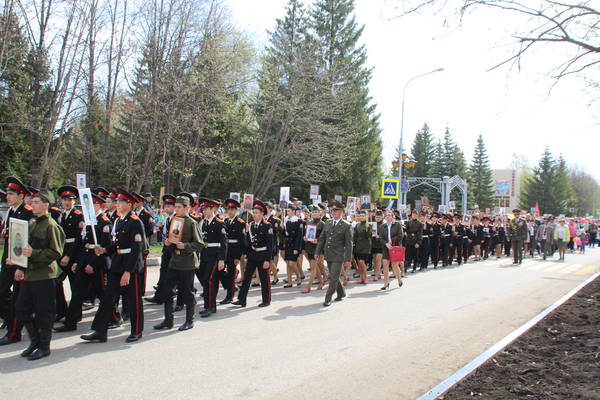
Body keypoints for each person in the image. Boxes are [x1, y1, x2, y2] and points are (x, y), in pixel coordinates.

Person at [80, 188, 145, 343]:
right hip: (117, 263)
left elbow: (137, 249)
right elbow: (117, 244)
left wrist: (128, 272)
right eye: (117, 202)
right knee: (108, 298)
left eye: (121, 202)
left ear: (129, 204)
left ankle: (136, 331)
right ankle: (100, 331)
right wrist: (104, 250)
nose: (117, 204)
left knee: (134, 300)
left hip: (130, 265)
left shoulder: (135, 222)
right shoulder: (118, 220)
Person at [10, 191, 65, 360]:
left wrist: (33, 253)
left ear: (46, 205)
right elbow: (24, 245)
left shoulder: (51, 225)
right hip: (31, 274)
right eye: (32, 202)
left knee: (44, 313)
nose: (32, 205)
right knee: (21, 309)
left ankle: (44, 346)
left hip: (44, 275)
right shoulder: (33, 222)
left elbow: (56, 252)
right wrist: (17, 261)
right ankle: (35, 341)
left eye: (35, 202)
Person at [54, 194, 112, 332]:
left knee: (103, 293)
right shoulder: (87, 220)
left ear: (99, 206)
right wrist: (77, 262)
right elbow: (82, 243)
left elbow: (105, 246)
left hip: (97, 262)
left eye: (93, 205)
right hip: (84, 259)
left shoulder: (104, 222)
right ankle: (70, 322)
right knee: (77, 292)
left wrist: (92, 264)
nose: (89, 208)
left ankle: (114, 317)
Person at [154, 195, 204, 331]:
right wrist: (168, 243)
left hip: (187, 262)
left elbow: (199, 244)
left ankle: (189, 321)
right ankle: (168, 320)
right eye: (175, 207)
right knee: (167, 291)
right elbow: (172, 238)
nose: (176, 209)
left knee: (187, 292)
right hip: (174, 261)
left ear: (187, 208)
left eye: (179, 207)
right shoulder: (174, 220)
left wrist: (186, 246)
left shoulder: (192, 223)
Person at [0, 177, 34, 346]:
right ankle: (10, 319)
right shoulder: (11, 211)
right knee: (2, 293)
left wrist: (21, 267)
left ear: (21, 195)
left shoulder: (27, 212)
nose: (8, 197)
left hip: (20, 263)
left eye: (11, 194)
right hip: (8, 261)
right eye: (7, 194)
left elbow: (28, 241)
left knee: (18, 300)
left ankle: (14, 332)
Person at [233, 199, 274, 308]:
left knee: (264, 279)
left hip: (263, 254)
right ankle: (242, 300)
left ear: (262, 214)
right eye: (253, 212)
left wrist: (267, 260)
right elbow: (248, 242)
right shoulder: (250, 225)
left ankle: (266, 300)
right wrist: (247, 253)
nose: (254, 215)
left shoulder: (267, 225)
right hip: (252, 255)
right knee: (246, 278)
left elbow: (270, 245)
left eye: (256, 213)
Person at [55, 185, 84, 322]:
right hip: (62, 251)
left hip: (73, 253)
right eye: (65, 200)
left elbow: (79, 239)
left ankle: (75, 315)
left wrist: (69, 256)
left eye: (70, 200)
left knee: (75, 286)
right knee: (56, 282)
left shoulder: (78, 216)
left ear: (74, 201)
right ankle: (61, 310)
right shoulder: (61, 215)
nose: (67, 202)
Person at [316, 201, 353, 307]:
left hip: (338, 255)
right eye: (332, 211)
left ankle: (328, 298)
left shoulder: (346, 225)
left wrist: (348, 259)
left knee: (333, 277)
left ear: (341, 212)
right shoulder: (328, 222)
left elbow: (349, 244)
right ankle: (341, 293)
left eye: (336, 211)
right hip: (329, 254)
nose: (333, 212)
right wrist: (317, 251)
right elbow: (322, 238)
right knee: (334, 276)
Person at [197, 198, 227, 318]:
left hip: (214, 255)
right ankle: (207, 306)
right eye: (203, 209)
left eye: (206, 209)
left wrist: (221, 259)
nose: (204, 211)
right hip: (205, 254)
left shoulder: (219, 223)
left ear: (213, 209)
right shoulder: (203, 223)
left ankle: (211, 307)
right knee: (205, 281)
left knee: (209, 279)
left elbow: (223, 243)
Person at [145, 194, 177, 304]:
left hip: (174, 250)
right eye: (165, 206)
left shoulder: (177, 219)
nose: (166, 209)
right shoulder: (167, 218)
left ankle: (184, 296)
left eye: (169, 206)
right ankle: (159, 297)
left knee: (175, 275)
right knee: (163, 273)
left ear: (174, 207)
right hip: (166, 249)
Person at [220, 198, 246, 304]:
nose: (230, 211)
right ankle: (231, 287)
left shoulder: (240, 223)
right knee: (220, 271)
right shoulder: (225, 221)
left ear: (236, 210)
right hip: (225, 250)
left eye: (232, 209)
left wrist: (237, 257)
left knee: (231, 274)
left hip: (234, 251)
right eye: (228, 209)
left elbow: (241, 241)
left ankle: (229, 296)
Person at [301, 207, 325, 293]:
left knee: (313, 267)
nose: (314, 213)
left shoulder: (322, 224)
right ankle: (321, 282)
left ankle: (308, 286)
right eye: (313, 212)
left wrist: (317, 241)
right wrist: (305, 237)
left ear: (320, 213)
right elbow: (306, 233)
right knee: (315, 267)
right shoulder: (309, 222)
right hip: (309, 247)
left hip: (317, 248)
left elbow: (324, 237)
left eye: (316, 212)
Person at [378, 210, 404, 290]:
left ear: (392, 217)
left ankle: (399, 279)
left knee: (394, 265)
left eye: (389, 215)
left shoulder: (397, 225)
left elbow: (400, 235)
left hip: (394, 247)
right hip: (386, 247)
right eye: (386, 215)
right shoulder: (382, 226)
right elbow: (381, 238)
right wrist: (386, 243)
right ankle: (386, 283)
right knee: (385, 265)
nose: (388, 217)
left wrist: (391, 241)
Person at [352, 210, 371, 284]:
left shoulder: (369, 225)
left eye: (363, 216)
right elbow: (355, 236)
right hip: (358, 246)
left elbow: (369, 236)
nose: (361, 217)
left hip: (366, 246)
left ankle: (366, 278)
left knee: (361, 261)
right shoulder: (357, 225)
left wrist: (367, 229)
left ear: (366, 216)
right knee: (359, 263)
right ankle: (362, 278)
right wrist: (352, 244)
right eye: (360, 216)